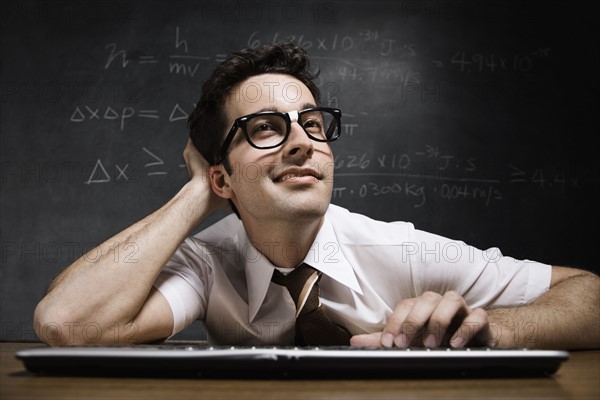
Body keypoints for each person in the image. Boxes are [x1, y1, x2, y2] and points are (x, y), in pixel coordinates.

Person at [34, 43, 599, 349]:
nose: (303, 143)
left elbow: (590, 296)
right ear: (222, 179)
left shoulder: (401, 251)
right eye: (264, 128)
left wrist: (492, 329)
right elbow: (65, 322)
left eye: (311, 123)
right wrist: (194, 192)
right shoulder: (207, 266)